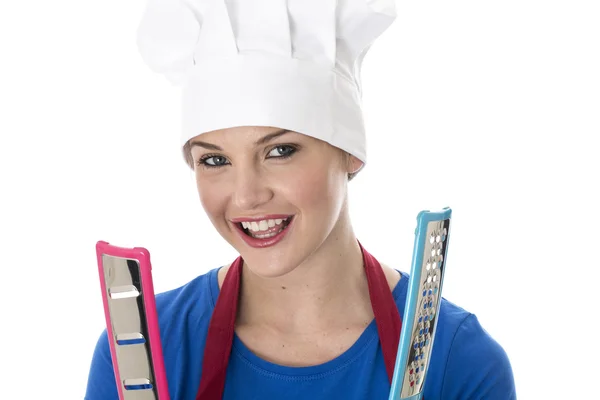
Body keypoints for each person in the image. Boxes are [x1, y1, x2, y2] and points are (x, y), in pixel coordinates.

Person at [85, 0, 516, 399]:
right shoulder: (142, 353)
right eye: (215, 160)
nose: (247, 195)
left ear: (350, 152)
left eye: (280, 151)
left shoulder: (456, 359)